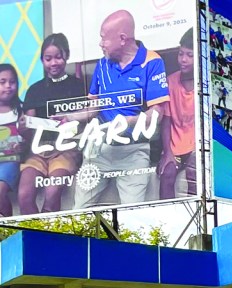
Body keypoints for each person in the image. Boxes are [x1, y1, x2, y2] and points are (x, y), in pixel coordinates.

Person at [75, 10, 169, 209]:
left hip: (133, 151)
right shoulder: (102, 64)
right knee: (79, 211)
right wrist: (70, 117)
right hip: (99, 150)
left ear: (123, 39)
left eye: (104, 38)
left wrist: (128, 122)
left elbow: (158, 113)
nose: (100, 44)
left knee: (132, 214)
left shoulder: (152, 61)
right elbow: (93, 107)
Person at [18, 33, 83, 214]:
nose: (53, 63)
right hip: (37, 153)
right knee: (24, 194)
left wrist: (70, 119)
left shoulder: (78, 86)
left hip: (66, 151)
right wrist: (23, 128)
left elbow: (86, 120)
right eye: (48, 59)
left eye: (58, 57)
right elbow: (29, 126)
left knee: (52, 192)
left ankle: (50, 230)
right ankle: (32, 230)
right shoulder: (35, 90)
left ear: (67, 56)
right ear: (42, 60)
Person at [159, 28, 196, 199]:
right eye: (181, 54)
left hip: (196, 147)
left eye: (190, 55)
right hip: (176, 147)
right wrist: (168, 152)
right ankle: (166, 215)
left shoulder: (204, 84)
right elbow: (166, 121)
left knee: (194, 174)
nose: (183, 59)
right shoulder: (171, 81)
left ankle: (197, 212)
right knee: (167, 174)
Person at [0, 64, 21, 217]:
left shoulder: (20, 110)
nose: (8, 86)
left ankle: (7, 223)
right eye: (2, 82)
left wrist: (22, 145)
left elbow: (28, 138)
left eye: (12, 82)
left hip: (11, 161)